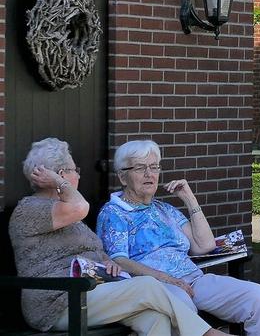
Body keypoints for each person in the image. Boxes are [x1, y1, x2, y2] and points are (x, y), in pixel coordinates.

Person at [9, 138, 230, 336]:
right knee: (147, 286)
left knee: (157, 319)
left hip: (88, 291)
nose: (78, 174)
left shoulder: (68, 217)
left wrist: (107, 262)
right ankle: (207, 334)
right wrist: (59, 182)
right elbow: (80, 206)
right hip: (55, 302)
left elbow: (90, 250)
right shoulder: (31, 209)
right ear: (58, 175)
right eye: (72, 169)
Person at [96, 140, 260, 336]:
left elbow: (205, 245)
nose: (149, 174)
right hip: (156, 287)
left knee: (258, 296)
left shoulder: (165, 209)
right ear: (123, 177)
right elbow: (119, 260)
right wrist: (168, 279)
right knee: (181, 305)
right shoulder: (113, 213)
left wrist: (188, 197)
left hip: (194, 280)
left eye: (154, 167)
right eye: (140, 168)